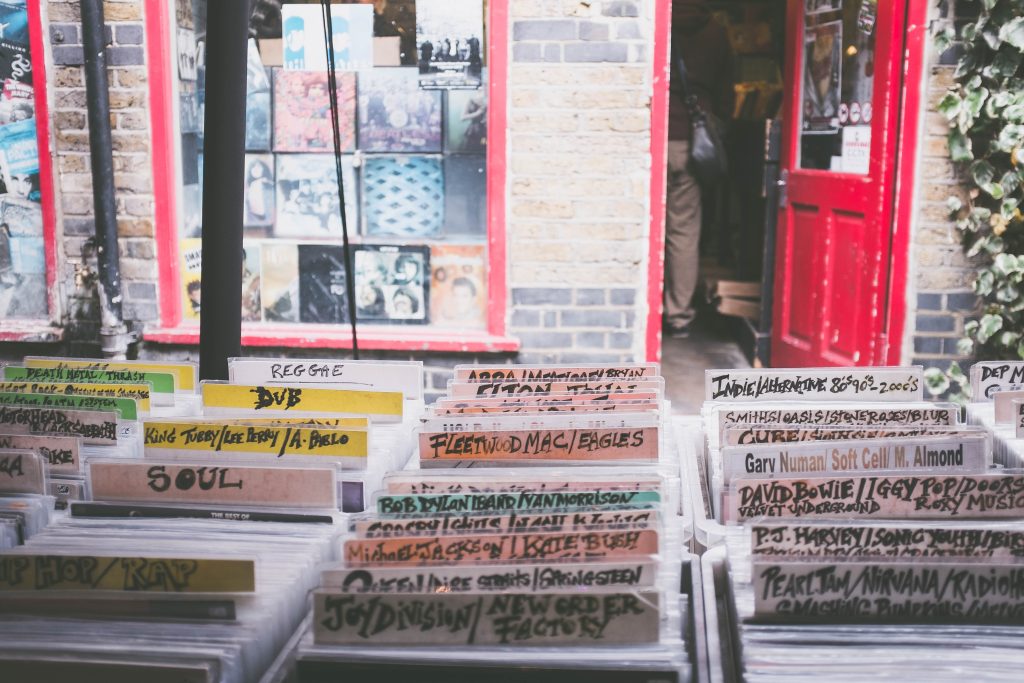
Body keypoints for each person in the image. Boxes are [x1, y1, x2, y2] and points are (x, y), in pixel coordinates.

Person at [664, 0, 734, 337]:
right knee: (683, 233)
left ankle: (644, 308)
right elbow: (726, 96)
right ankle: (678, 317)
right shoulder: (716, 33)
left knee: (644, 229)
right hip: (693, 144)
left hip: (653, 137)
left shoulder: (656, 21)